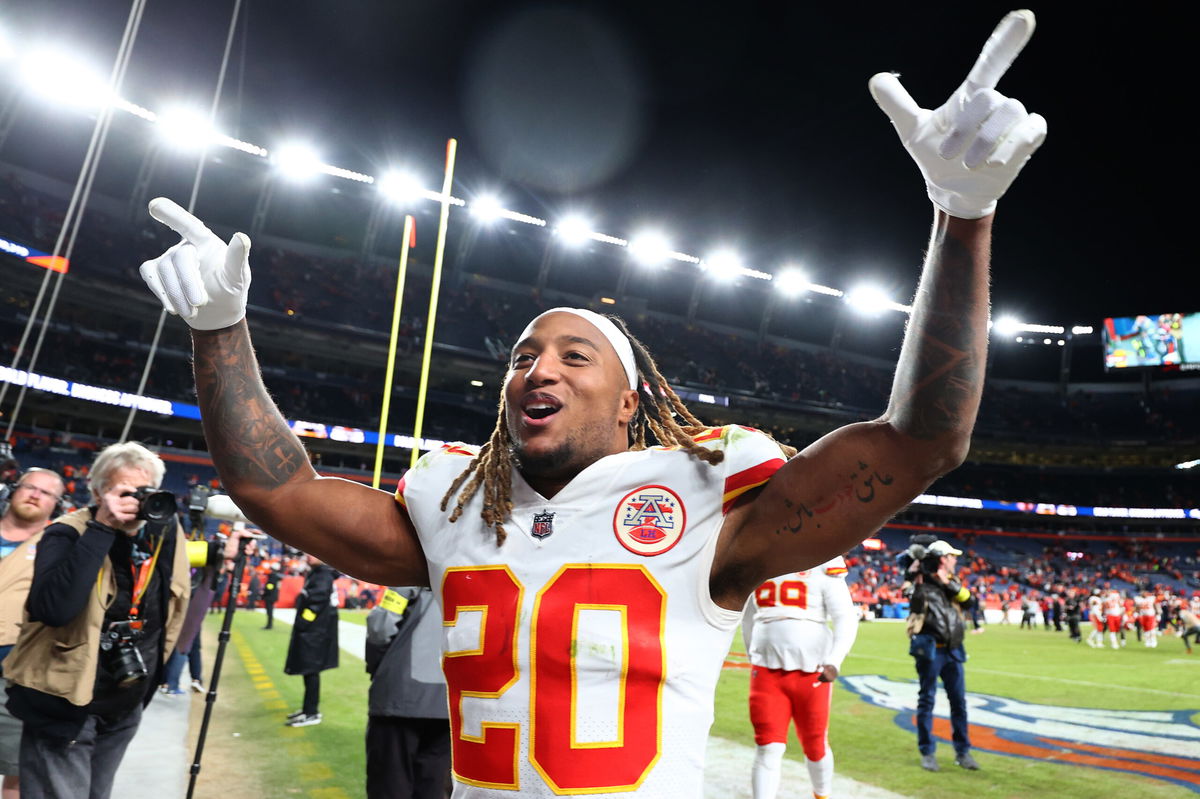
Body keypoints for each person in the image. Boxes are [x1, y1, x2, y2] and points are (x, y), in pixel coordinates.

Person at [136, 11, 1044, 795]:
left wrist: (960, 216)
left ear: (629, 402)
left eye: (576, 355)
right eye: (525, 354)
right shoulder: (453, 504)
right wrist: (220, 326)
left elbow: (922, 439)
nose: (540, 369)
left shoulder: (705, 500)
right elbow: (278, 491)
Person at [1, 443, 220, 799]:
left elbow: (173, 604)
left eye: (144, 491)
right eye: (125, 491)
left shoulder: (162, 533)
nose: (136, 501)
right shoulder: (65, 533)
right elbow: (53, 609)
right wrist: (102, 527)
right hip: (66, 703)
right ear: (98, 491)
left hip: (122, 704)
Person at [741, 556, 858, 799]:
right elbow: (747, 617)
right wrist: (753, 653)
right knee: (767, 746)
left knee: (815, 745)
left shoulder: (823, 559)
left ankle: (822, 794)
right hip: (767, 671)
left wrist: (834, 660)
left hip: (812, 672)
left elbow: (845, 616)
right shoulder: (761, 557)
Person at [0, 468, 65, 798]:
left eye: (46, 493)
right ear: (14, 489)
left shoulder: (59, 544)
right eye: (29, 487)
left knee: (17, 767)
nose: (35, 495)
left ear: (56, 504)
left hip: (15, 669)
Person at [365, 587, 451, 799]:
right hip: (449, 701)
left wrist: (375, 664)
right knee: (433, 784)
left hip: (400, 697)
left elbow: (380, 627)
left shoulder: (407, 576)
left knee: (390, 783)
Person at [905, 539, 979, 772]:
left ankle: (962, 751)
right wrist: (916, 573)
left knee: (959, 703)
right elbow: (911, 597)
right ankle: (927, 752)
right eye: (952, 557)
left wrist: (947, 582)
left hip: (953, 650)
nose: (955, 560)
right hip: (930, 650)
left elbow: (970, 602)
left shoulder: (953, 582)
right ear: (942, 559)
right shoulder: (920, 582)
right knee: (927, 701)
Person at [283, 554, 339, 727]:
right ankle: (308, 709)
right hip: (314, 632)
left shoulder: (323, 575)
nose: (307, 555)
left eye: (312, 553)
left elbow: (316, 603)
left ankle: (311, 713)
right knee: (309, 672)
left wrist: (304, 621)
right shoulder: (317, 573)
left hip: (315, 633)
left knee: (311, 671)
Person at [262, 562, 282, 630]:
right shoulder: (276, 576)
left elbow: (270, 587)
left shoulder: (272, 576)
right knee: (270, 611)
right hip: (272, 596)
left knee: (269, 611)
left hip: (269, 596)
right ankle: (269, 624)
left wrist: (265, 592)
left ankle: (269, 625)